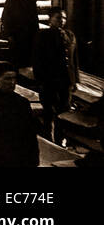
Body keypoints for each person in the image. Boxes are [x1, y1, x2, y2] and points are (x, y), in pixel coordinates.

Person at [33, 8, 79, 141]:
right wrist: (40, 80)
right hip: (49, 80)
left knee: (64, 111)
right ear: (50, 19)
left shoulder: (70, 35)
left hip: (66, 81)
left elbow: (74, 60)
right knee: (49, 111)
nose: (62, 21)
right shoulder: (43, 35)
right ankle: (48, 139)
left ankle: (60, 139)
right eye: (58, 18)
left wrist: (75, 81)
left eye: (64, 18)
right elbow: (37, 59)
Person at [3, 0, 40, 68]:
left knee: (29, 59)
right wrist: (9, 35)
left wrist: (36, 34)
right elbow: (5, 19)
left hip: (29, 34)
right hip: (16, 34)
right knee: (16, 60)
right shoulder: (10, 1)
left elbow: (35, 19)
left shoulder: (31, 0)